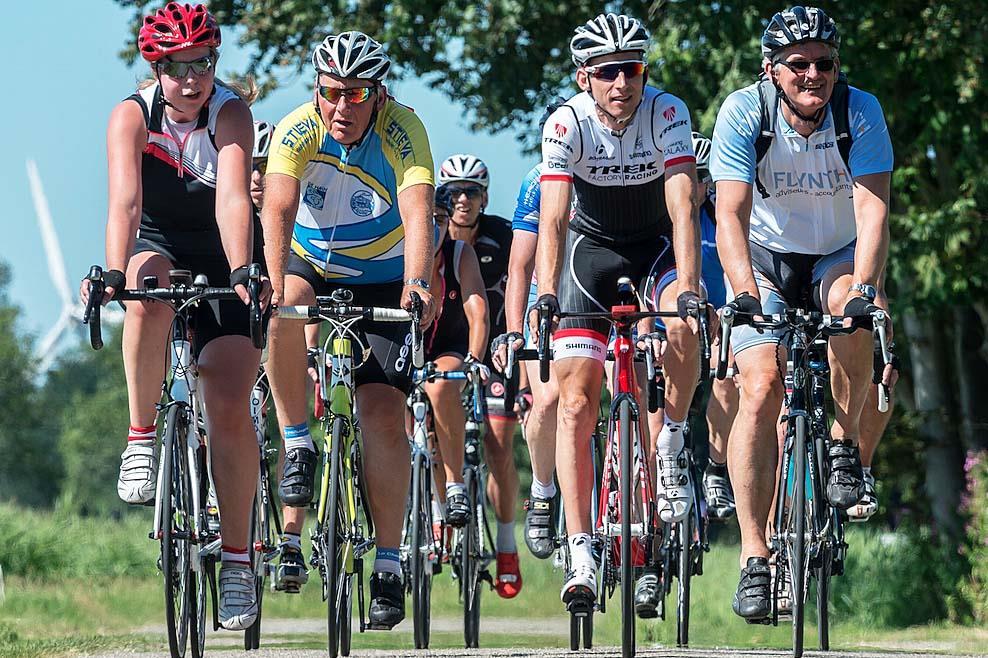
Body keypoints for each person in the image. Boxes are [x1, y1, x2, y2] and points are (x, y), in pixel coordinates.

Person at [80, 1, 270, 630]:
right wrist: (113, 271)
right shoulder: (131, 116)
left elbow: (234, 202)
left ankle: (239, 562)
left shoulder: (230, 112)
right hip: (157, 241)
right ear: (156, 66)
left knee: (227, 397)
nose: (193, 80)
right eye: (179, 67)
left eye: (204, 64)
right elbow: (125, 205)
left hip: (224, 250)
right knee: (144, 287)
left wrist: (244, 271)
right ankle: (140, 437)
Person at [710, 6, 893, 620]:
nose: (813, 74)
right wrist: (741, 293)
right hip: (763, 260)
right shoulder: (744, 111)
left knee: (853, 310)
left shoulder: (859, 110)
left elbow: (872, 213)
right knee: (759, 385)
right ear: (772, 70)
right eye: (799, 64)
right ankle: (755, 559)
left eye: (825, 63)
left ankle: (842, 444)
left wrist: (865, 288)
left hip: (836, 257)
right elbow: (729, 216)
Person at [260, 30, 436, 629]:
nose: (342, 106)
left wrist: (418, 283)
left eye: (356, 94)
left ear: (378, 93)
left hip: (386, 276)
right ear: (317, 89)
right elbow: (278, 209)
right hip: (312, 262)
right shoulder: (296, 127)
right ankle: (298, 441)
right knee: (283, 303)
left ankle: (388, 564)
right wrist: (270, 280)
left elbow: (418, 213)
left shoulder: (402, 128)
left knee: (382, 413)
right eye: (331, 92)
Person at [534, 12, 701, 608]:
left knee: (682, 327)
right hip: (590, 252)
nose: (621, 83)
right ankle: (580, 548)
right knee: (576, 400)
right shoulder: (565, 122)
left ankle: (674, 440)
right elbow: (552, 216)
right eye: (608, 72)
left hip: (656, 245)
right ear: (585, 77)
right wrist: (547, 294)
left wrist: (689, 292)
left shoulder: (668, 111)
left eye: (631, 69)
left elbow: (684, 207)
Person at [436, 154, 523, 598]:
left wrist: (521, 365)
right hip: (444, 347)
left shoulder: (504, 237)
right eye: (454, 191)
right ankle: (435, 514)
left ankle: (507, 544)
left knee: (497, 444)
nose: (463, 199)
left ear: (485, 197)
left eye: (471, 191)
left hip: (497, 352)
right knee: (431, 429)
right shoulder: (429, 238)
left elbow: (519, 296)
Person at [421, 185, 489, 531]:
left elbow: (478, 312)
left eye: (439, 219)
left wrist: (475, 358)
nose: (432, 227)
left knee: (439, 385)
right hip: (403, 345)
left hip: (447, 347)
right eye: (425, 219)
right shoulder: (396, 251)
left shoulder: (460, 253)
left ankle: (454, 483)